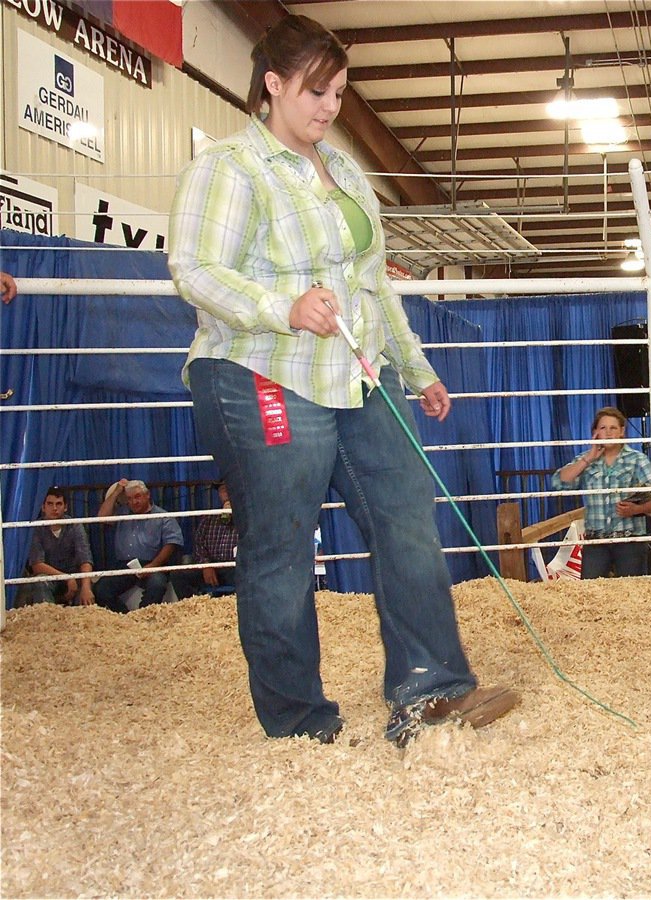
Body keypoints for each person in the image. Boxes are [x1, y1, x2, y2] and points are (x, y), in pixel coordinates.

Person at [168, 15, 517, 747]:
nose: (329, 107)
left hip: (360, 374)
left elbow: (376, 289)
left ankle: (431, 691)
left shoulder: (349, 173)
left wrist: (415, 368)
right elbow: (196, 270)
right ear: (273, 85)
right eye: (316, 91)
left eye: (338, 93)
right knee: (281, 546)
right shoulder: (232, 166)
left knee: (406, 519)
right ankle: (299, 724)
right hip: (260, 370)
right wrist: (282, 307)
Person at [552, 406, 651, 578]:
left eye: (613, 428)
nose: (608, 433)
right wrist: (588, 458)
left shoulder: (638, 460)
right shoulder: (586, 459)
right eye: (603, 428)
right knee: (592, 594)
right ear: (595, 432)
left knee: (633, 595)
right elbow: (559, 482)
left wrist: (636, 510)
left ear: (622, 431)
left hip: (630, 540)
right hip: (595, 541)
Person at [92, 479, 185, 613]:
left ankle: (142, 618)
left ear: (147, 495)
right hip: (125, 565)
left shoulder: (163, 516)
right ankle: (124, 618)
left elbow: (171, 544)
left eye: (137, 497)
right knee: (101, 589)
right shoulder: (122, 514)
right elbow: (101, 517)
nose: (134, 502)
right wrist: (117, 491)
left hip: (153, 564)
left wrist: (153, 566)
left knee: (157, 585)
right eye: (129, 498)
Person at [17, 486, 95, 607]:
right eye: (50, 504)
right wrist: (66, 578)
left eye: (59, 504)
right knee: (40, 581)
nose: (54, 508)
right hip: (51, 578)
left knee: (86, 593)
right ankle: (48, 619)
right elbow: (37, 565)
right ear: (43, 507)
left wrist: (86, 587)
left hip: (75, 577)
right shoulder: (37, 529)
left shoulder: (74, 526)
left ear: (65, 507)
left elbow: (85, 558)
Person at [171, 481, 238, 601]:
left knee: (245, 577)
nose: (227, 494)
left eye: (230, 489)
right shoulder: (209, 518)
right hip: (212, 565)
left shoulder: (248, 518)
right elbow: (199, 544)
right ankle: (197, 607)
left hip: (235, 566)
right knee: (178, 575)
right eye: (223, 490)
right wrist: (206, 565)